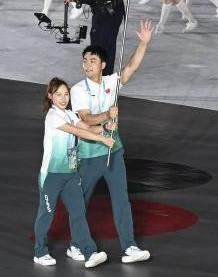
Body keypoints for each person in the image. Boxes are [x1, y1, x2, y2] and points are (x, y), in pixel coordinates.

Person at [66, 20, 155, 266]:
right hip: (88, 154)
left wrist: (143, 44)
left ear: (103, 65)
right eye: (85, 61)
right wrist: (107, 115)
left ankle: (129, 247)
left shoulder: (111, 83)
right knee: (81, 200)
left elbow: (131, 67)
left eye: (92, 61)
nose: (87, 65)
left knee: (121, 199)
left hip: (113, 151)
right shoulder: (78, 90)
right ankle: (75, 245)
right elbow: (86, 118)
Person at [32, 77, 112, 268]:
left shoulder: (69, 114)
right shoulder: (52, 116)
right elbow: (78, 132)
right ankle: (39, 252)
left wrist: (104, 128)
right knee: (46, 214)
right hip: (51, 176)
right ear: (50, 96)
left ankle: (89, 252)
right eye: (58, 94)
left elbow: (86, 127)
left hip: (70, 173)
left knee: (78, 212)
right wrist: (101, 139)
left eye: (66, 94)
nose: (63, 98)